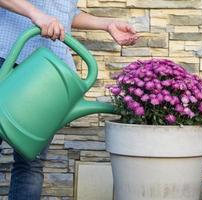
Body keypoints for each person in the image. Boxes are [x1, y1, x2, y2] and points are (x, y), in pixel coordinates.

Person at [0, 0, 138, 199]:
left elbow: (64, 11)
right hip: (10, 58)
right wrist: (35, 14)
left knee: (31, 164)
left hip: (49, 76)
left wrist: (107, 24)